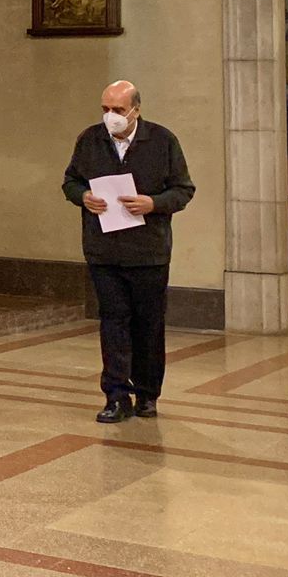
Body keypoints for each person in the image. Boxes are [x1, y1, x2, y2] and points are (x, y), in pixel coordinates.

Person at [60, 80, 196, 423]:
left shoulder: (163, 141)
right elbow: (70, 181)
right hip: (104, 251)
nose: (111, 117)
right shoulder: (89, 140)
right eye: (105, 110)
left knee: (148, 325)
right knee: (113, 322)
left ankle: (148, 394)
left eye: (118, 110)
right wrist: (82, 197)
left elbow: (183, 190)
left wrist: (153, 203)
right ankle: (116, 395)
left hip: (148, 251)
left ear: (136, 110)